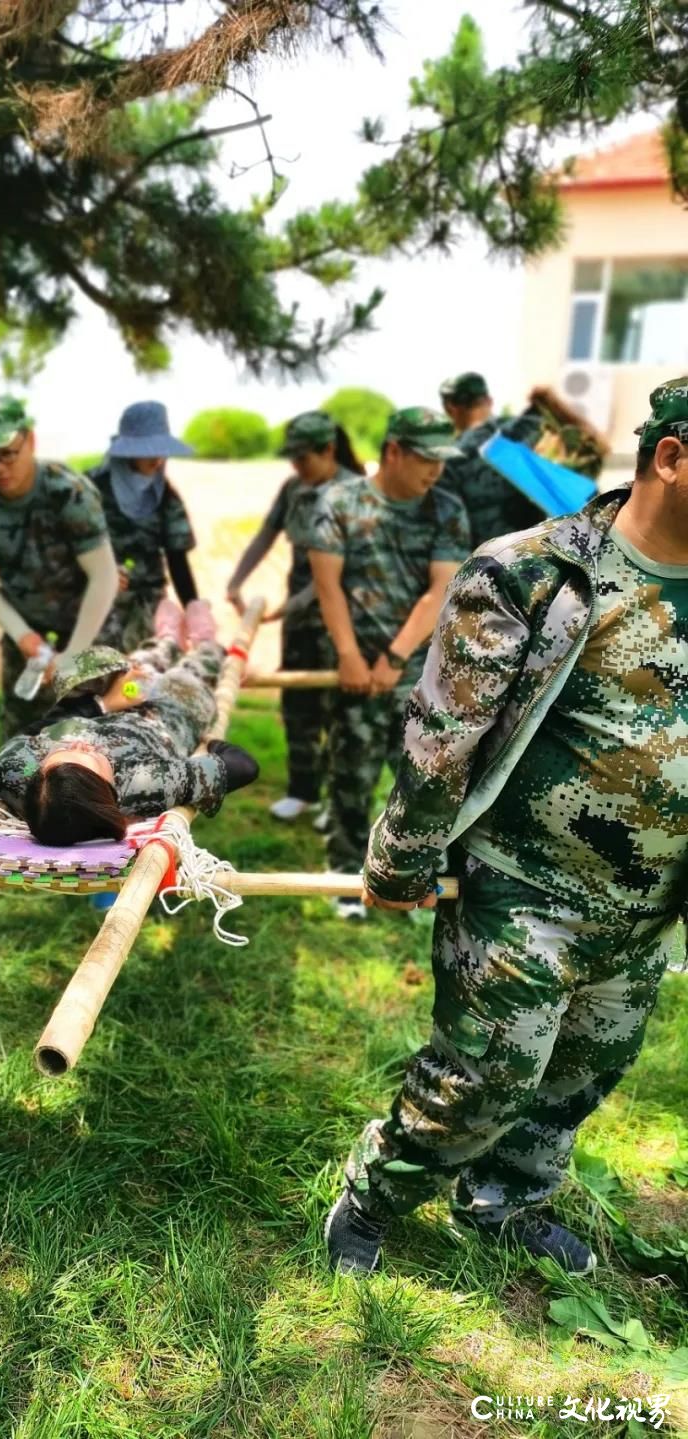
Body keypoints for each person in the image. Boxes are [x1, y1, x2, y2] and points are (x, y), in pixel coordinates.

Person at [324, 376, 688, 1278]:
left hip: (647, 908)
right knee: (482, 1079)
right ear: (673, 459)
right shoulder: (537, 570)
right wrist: (401, 857)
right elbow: (445, 735)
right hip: (523, 890)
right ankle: (374, 1192)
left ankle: (505, 1201)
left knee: (577, 1079)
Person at [303, 408, 472, 918]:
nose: (435, 471)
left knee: (422, 781)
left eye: (443, 460)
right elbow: (328, 587)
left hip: (422, 671)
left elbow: (440, 589)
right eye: (426, 459)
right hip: (353, 668)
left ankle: (407, 876)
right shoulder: (339, 503)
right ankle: (341, 877)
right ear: (393, 451)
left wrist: (396, 658)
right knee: (350, 775)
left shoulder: (446, 508)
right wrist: (352, 657)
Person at [0, 600, 258, 841]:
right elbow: (244, 766)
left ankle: (165, 643)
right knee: (191, 672)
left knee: (114, 668)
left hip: (112, 703)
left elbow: (36, 731)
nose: (81, 745)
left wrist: (104, 704)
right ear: (109, 787)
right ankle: (204, 643)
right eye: (93, 757)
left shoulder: (17, 775)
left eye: (64, 752)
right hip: (170, 710)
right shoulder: (147, 785)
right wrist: (206, 744)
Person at [226, 411, 366, 825]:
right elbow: (265, 535)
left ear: (328, 450)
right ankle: (302, 790)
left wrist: (288, 607)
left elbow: (334, 576)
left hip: (340, 612)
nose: (296, 467)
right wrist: (236, 581)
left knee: (340, 709)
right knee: (298, 704)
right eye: (293, 459)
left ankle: (337, 801)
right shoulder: (294, 488)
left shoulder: (354, 494)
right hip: (300, 615)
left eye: (304, 458)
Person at [0, 397, 118, 737]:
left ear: (29, 441)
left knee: (95, 735)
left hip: (87, 627)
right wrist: (23, 635)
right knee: (23, 736)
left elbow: (104, 576)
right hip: (25, 632)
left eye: (7, 453)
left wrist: (72, 656)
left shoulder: (68, 493)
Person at [438, 372, 601, 548]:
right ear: (489, 401)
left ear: (450, 408)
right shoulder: (534, 429)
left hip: (490, 559)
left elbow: (449, 526)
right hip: (550, 551)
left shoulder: (452, 459)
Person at [91, 400, 199, 652]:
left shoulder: (165, 497)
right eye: (148, 450)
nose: (157, 459)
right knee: (98, 685)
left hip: (150, 613)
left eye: (160, 451)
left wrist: (194, 610)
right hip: (98, 611)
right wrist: (100, 571)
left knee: (144, 684)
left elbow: (177, 560)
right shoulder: (90, 491)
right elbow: (63, 548)